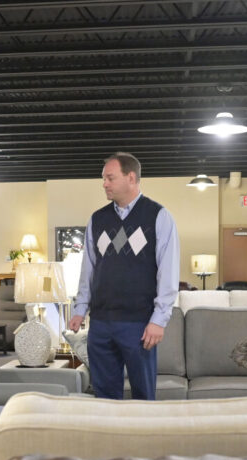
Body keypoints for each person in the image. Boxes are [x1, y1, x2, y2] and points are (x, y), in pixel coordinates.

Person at [68, 152, 180, 400]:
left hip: (139, 324)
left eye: (110, 178)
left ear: (131, 177)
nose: (104, 184)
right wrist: (80, 308)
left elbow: (168, 272)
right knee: (104, 397)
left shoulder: (158, 216)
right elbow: (89, 267)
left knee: (143, 396)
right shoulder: (97, 219)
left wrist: (159, 320)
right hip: (100, 323)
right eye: (103, 179)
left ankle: (143, 438)